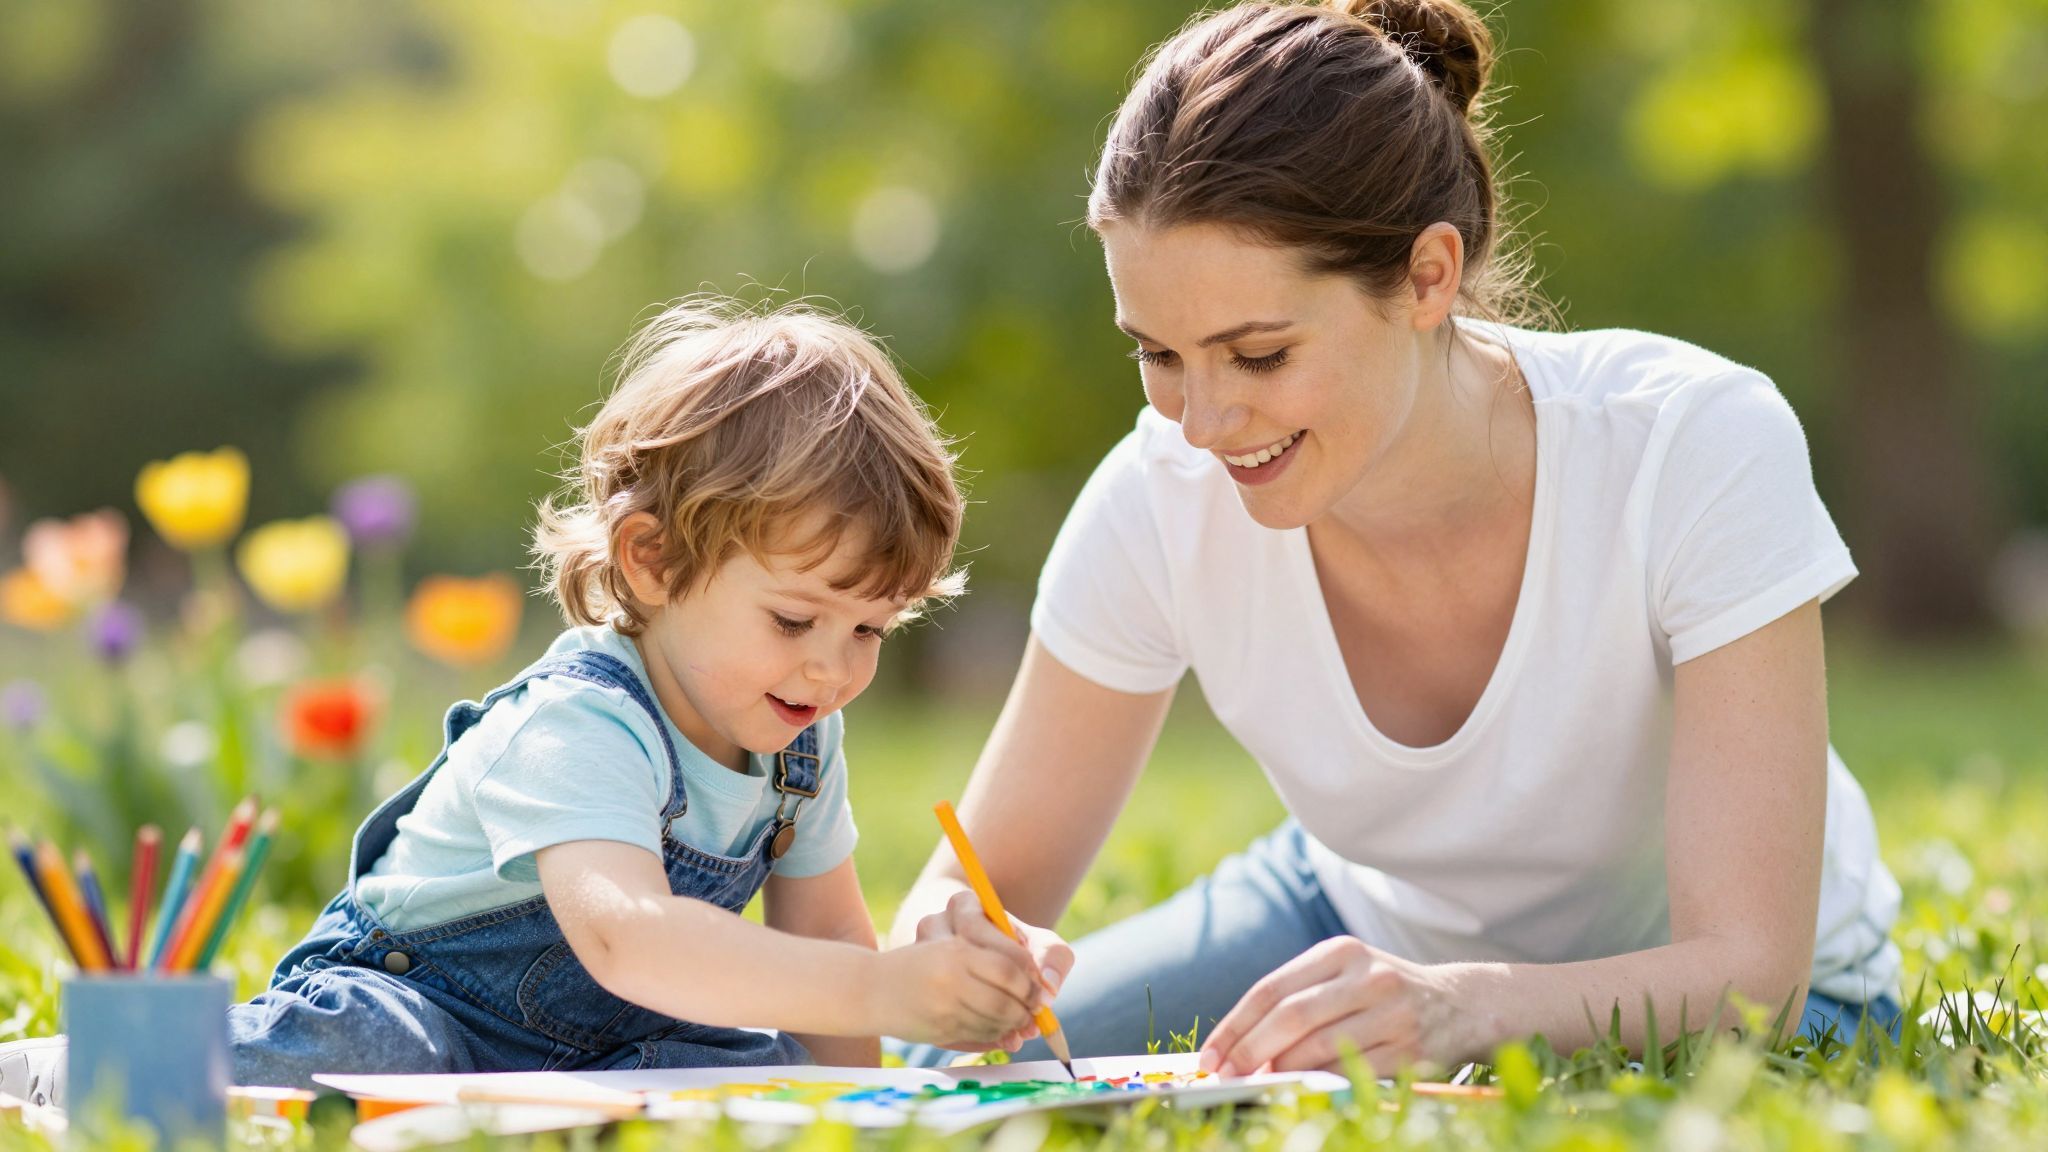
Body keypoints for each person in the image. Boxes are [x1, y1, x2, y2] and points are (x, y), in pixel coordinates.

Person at [890, 0, 1901, 1076]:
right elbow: (968, 894)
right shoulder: (1158, 495)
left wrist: (1463, 1012)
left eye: (1259, 355)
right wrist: (950, 938)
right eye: (1156, 353)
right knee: (947, 1072)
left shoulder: (1687, 444)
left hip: (1754, 1006)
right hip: (1352, 921)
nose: (1199, 421)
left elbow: (1749, 975)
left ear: (1427, 276)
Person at [1, 299, 1052, 1103]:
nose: (831, 670)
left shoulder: (797, 743)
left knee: (764, 1062)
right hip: (427, 998)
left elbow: (826, 943)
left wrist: (854, 1101)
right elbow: (628, 940)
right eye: (792, 622)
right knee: (376, 1054)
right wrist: (879, 993)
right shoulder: (582, 721)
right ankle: (74, 1069)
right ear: (651, 563)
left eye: (867, 629)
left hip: (612, 1037)